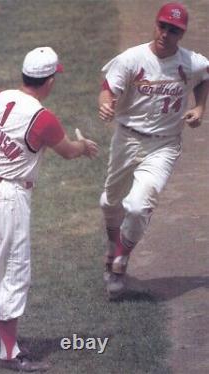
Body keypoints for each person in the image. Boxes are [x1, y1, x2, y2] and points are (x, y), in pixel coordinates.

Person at [0, 46, 98, 371]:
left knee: (0, 263)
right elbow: (66, 151)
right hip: (8, 198)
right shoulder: (42, 117)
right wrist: (84, 146)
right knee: (14, 272)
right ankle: (9, 354)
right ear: (49, 80)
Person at [98, 2, 209, 300]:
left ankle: (120, 263)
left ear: (181, 33)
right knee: (110, 202)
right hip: (127, 138)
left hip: (164, 144)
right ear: (155, 25)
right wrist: (105, 103)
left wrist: (199, 107)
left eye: (174, 30)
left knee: (137, 205)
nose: (166, 33)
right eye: (163, 26)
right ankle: (112, 249)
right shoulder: (132, 58)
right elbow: (108, 86)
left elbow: (204, 77)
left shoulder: (192, 62)